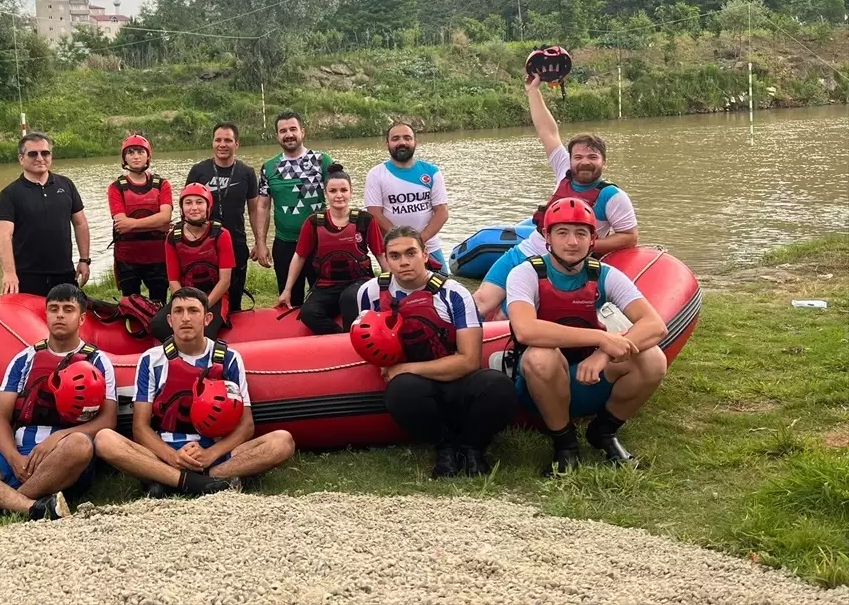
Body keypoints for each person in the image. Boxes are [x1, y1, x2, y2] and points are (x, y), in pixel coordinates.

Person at [504, 198, 667, 476]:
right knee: (541, 356)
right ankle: (565, 445)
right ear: (547, 237)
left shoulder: (604, 274)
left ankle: (603, 432)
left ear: (593, 239)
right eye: (562, 232)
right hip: (537, 381)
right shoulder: (525, 273)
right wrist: (601, 338)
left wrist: (603, 353)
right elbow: (525, 329)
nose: (572, 242)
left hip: (589, 373)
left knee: (653, 359)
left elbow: (655, 325)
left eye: (581, 233)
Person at [0, 284, 117, 521]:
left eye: (68, 309)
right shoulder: (24, 359)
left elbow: (108, 420)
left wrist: (56, 439)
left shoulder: (98, 361)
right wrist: (13, 458)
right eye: (54, 309)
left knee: (79, 444)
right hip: (20, 457)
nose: (60, 314)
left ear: (81, 319)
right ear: (45, 315)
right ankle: (32, 506)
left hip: (64, 458)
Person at [94, 288, 295, 496]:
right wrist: (173, 457)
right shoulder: (151, 359)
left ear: (207, 318)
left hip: (215, 449)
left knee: (282, 441)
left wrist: (210, 454)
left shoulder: (229, 358)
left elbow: (246, 425)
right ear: (170, 320)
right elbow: (140, 428)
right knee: (105, 440)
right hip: (167, 451)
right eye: (179, 312)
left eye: (193, 311)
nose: (186, 318)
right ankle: (201, 481)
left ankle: (178, 480)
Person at [356, 227, 518, 478]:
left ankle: (473, 448)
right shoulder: (370, 292)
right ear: (386, 260)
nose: (404, 262)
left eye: (411, 253)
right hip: (413, 388)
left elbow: (469, 360)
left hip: (455, 377)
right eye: (395, 256)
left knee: (497, 385)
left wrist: (407, 368)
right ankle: (445, 447)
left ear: (424, 254)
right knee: (401, 390)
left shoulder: (454, 293)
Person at [474, 75, 639, 318]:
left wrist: (581, 246)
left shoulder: (612, 196)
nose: (584, 163)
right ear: (570, 160)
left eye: (593, 158)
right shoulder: (564, 170)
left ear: (604, 162)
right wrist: (532, 91)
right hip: (525, 250)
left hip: (557, 267)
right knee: (480, 302)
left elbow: (629, 237)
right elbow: (547, 131)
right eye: (579, 157)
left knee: (506, 316)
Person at [277, 164, 386, 334]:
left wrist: (393, 285)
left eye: (343, 190)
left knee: (349, 299)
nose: (339, 195)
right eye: (333, 191)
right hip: (327, 284)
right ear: (326, 193)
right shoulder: (313, 222)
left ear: (351, 191)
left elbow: (381, 254)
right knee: (308, 313)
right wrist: (287, 290)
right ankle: (341, 338)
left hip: (359, 281)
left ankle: (353, 340)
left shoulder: (365, 220)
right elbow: (299, 257)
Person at [0, 132, 91, 297]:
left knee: (66, 319)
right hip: (26, 276)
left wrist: (84, 260)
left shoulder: (66, 185)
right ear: (21, 159)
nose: (40, 158)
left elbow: (80, 223)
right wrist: (9, 273)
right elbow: (3, 236)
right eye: (33, 154)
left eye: (45, 153)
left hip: (64, 272)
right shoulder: (9, 194)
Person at [253, 111, 334, 303]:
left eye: (293, 129)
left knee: (323, 298)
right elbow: (263, 206)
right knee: (289, 298)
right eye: (283, 131)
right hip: (285, 243)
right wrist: (261, 243)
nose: (288, 134)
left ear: (302, 132)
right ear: (277, 136)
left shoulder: (322, 161)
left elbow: (339, 197)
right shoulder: (269, 167)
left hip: (320, 242)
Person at [186, 123, 262, 312]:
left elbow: (254, 210)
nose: (222, 144)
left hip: (236, 241)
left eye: (228, 140)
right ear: (212, 143)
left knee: (234, 295)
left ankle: (233, 328)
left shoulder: (247, 173)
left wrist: (259, 242)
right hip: (203, 242)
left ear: (237, 144)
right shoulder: (198, 171)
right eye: (218, 140)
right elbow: (187, 207)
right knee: (202, 292)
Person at [147, 183, 236, 341]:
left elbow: (225, 281)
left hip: (213, 297)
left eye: (199, 202)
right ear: (182, 208)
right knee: (158, 326)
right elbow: (173, 281)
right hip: (184, 297)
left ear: (208, 206)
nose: (194, 207)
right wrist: (185, 308)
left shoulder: (222, 234)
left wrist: (201, 307)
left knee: (202, 334)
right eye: (188, 203)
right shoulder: (173, 237)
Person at [364, 122, 449, 264]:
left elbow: (442, 212)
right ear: (387, 143)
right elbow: (374, 214)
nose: (402, 142)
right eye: (395, 139)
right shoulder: (376, 174)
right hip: (394, 248)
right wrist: (402, 240)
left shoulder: (432, 171)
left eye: (407, 138)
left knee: (442, 284)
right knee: (396, 286)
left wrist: (419, 240)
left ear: (415, 142)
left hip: (429, 246)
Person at [108, 134, 172, 303]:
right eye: (130, 152)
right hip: (127, 258)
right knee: (131, 306)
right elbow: (121, 225)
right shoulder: (116, 188)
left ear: (148, 156)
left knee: (159, 303)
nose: (135, 156)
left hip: (158, 256)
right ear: (124, 158)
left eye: (140, 152)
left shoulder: (162, 184)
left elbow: (165, 218)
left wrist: (133, 224)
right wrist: (156, 224)